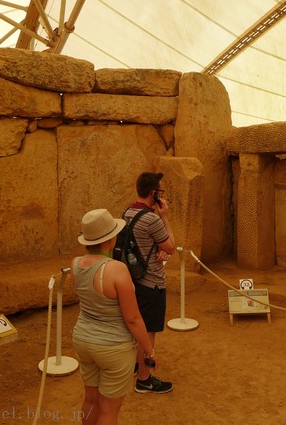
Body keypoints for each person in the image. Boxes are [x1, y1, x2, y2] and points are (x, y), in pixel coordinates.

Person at [72, 208, 158, 425]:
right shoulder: (116, 269)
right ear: (111, 238)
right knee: (109, 411)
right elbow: (133, 318)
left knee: (90, 399)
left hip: (83, 339)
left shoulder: (75, 264)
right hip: (113, 346)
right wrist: (149, 350)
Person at [122, 172, 176, 394]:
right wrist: (164, 216)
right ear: (154, 193)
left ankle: (138, 365)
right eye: (160, 192)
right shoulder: (152, 219)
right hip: (151, 282)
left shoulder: (128, 212)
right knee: (148, 332)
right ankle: (144, 379)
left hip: (133, 280)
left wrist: (160, 250)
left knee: (137, 327)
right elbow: (171, 245)